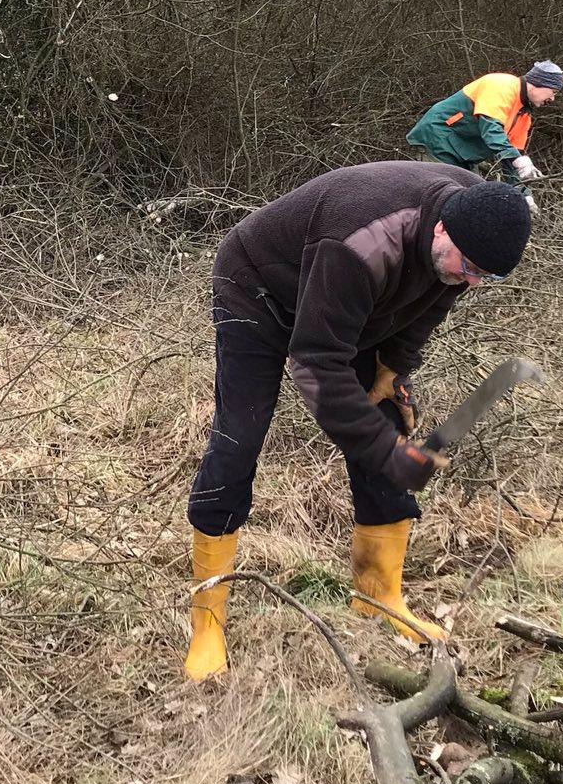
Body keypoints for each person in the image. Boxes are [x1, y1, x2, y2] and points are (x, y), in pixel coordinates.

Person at [183, 164, 532, 681]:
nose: (473, 281)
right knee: (240, 436)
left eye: (487, 276)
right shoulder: (362, 242)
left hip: (342, 303)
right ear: (441, 229)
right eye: (471, 266)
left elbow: (432, 299)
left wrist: (394, 367)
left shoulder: (471, 225)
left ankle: (378, 596)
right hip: (258, 288)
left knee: (386, 415)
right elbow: (316, 361)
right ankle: (207, 619)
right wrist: (386, 453)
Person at [407, 61, 563, 183]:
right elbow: (491, 130)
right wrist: (516, 159)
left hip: (461, 152)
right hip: (437, 141)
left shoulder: (524, 114)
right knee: (444, 198)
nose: (553, 99)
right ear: (539, 83)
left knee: (473, 196)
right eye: (553, 92)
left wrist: (524, 195)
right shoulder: (501, 85)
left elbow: (511, 160)